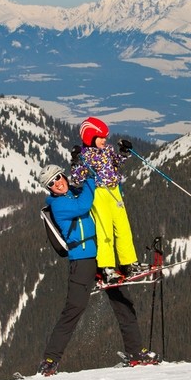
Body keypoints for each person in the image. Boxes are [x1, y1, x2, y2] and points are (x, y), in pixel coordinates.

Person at [36, 164, 158, 376]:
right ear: (49, 189)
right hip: (81, 260)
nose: (58, 183)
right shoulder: (58, 205)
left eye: (58, 177)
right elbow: (84, 205)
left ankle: (136, 352)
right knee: (74, 308)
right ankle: (50, 360)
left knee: (121, 299)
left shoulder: (72, 193)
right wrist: (91, 180)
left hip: (102, 256)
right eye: (52, 183)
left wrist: (87, 170)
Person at [70, 117, 147, 284]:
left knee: (123, 227)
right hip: (99, 193)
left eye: (105, 137)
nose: (105, 140)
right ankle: (107, 268)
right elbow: (76, 178)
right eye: (101, 137)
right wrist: (76, 161)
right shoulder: (85, 156)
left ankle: (128, 263)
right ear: (90, 137)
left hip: (115, 192)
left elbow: (116, 163)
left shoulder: (108, 150)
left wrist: (124, 153)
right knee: (105, 231)